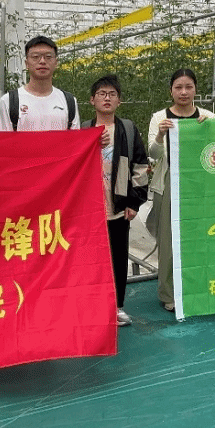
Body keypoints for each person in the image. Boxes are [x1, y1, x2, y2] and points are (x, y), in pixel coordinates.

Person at [147, 68, 215, 312]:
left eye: (188, 87)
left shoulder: (208, 117)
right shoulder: (160, 118)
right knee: (168, 241)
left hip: (199, 185)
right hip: (168, 184)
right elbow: (153, 155)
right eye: (178, 87)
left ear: (196, 90)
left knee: (199, 238)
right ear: (171, 91)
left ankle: (198, 288)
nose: (184, 92)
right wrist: (160, 135)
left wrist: (211, 130)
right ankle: (168, 293)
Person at [84, 75, 149, 326]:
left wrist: (134, 202)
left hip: (119, 208)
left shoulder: (128, 130)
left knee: (118, 259)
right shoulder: (84, 129)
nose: (107, 98)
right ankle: (93, 306)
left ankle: (117, 306)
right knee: (90, 259)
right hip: (90, 209)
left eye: (112, 94)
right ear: (92, 100)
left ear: (119, 101)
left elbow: (140, 167)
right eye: (102, 94)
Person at [0, 35, 79, 131]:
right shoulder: (9, 101)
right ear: (26, 63)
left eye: (48, 57)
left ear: (56, 63)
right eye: (35, 57)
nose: (42, 61)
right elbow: (5, 139)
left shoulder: (69, 101)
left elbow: (76, 140)